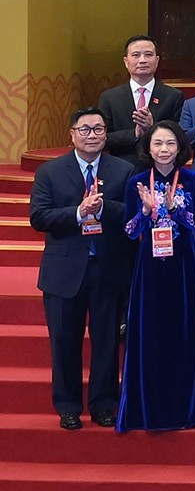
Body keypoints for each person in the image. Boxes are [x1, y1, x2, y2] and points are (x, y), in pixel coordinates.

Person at [32, 106, 134, 429]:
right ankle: (68, 406)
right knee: (64, 341)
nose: (93, 135)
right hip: (64, 271)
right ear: (72, 134)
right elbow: (39, 217)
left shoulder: (123, 170)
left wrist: (102, 209)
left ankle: (104, 404)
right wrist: (78, 212)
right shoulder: (50, 172)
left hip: (108, 267)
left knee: (106, 340)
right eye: (85, 129)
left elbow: (132, 214)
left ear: (106, 134)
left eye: (99, 129)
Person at [117, 120, 195, 431]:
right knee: (149, 334)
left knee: (184, 333)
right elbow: (129, 232)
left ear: (180, 147)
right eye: (157, 143)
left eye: (170, 143)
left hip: (183, 265)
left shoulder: (194, 180)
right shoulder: (137, 182)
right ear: (148, 147)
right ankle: (147, 410)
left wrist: (176, 209)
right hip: (150, 267)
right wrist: (145, 212)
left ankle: (187, 410)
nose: (164, 149)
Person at [99, 35, 183, 165]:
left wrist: (153, 128)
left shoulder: (173, 96)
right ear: (126, 62)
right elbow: (103, 139)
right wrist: (135, 133)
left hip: (161, 166)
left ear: (157, 60)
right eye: (136, 55)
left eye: (148, 55)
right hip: (122, 166)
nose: (142, 60)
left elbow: (180, 136)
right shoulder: (109, 97)